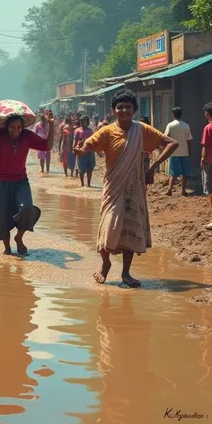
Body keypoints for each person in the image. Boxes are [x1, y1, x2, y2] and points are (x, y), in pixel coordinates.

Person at [74, 89, 178, 288]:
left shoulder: (142, 130)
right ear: (114, 111)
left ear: (134, 110)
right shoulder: (107, 131)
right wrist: (81, 150)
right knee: (108, 225)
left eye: (128, 107)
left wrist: (153, 168)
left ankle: (126, 273)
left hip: (134, 188)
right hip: (113, 187)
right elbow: (89, 143)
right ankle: (105, 264)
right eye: (120, 107)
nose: (124, 110)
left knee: (131, 227)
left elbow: (172, 143)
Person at [0, 112, 54, 256]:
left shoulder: (27, 136)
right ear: (6, 127)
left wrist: (51, 124)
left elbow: (47, 146)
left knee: (27, 209)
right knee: (2, 217)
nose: (16, 131)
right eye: (12, 127)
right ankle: (7, 248)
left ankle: (19, 237)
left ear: (23, 127)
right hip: (0, 181)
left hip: (20, 180)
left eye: (19, 127)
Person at [164, 107, 193, 197]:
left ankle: (169, 190)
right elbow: (189, 140)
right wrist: (189, 151)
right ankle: (183, 191)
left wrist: (165, 149)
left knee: (173, 173)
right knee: (184, 173)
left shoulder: (170, 125)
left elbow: (166, 137)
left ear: (173, 114)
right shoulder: (186, 126)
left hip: (173, 152)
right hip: (184, 152)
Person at [74, 115, 95, 187]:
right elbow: (75, 141)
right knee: (81, 169)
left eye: (85, 121)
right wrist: (74, 148)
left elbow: (94, 141)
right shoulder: (77, 131)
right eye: (81, 121)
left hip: (90, 152)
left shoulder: (91, 131)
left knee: (90, 169)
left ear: (87, 122)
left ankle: (89, 184)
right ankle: (82, 184)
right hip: (80, 152)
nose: (83, 122)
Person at [201, 102, 212, 230]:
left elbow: (206, 147)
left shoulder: (208, 128)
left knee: (210, 192)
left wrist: (204, 160)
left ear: (207, 114)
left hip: (211, 163)